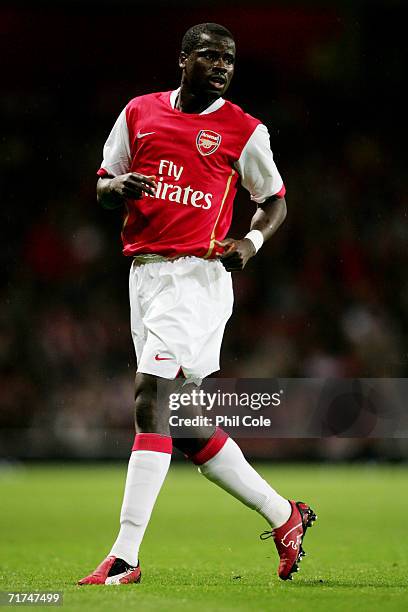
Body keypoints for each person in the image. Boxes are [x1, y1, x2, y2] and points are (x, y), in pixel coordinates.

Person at [78, 22, 316, 586]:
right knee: (183, 424)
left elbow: (275, 200)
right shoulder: (138, 111)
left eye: (230, 60)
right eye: (211, 56)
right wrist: (120, 189)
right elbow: (103, 183)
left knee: (149, 402)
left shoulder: (244, 130)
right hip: (144, 276)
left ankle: (125, 556)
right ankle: (285, 517)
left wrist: (250, 242)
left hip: (196, 279)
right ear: (184, 59)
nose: (222, 67)